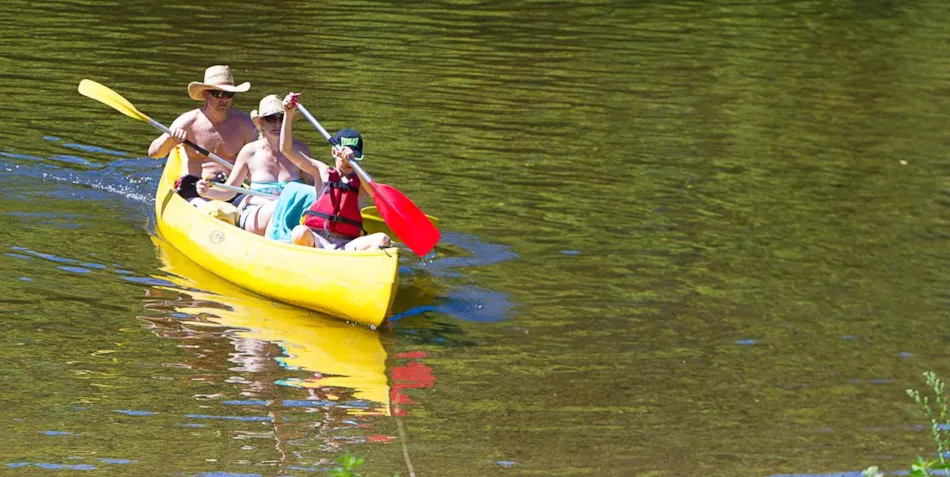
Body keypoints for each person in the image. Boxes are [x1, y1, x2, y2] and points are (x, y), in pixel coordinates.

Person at [278, 93, 391, 251]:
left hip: (347, 245)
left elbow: (374, 192)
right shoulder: (322, 172)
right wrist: (288, 114)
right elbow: (286, 150)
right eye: (344, 154)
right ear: (333, 152)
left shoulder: (361, 181)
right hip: (318, 241)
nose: (349, 161)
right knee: (299, 232)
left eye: (355, 156)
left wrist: (355, 166)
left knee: (383, 239)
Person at [195, 94, 315, 235]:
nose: (277, 123)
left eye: (281, 118)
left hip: (292, 214)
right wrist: (207, 191)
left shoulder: (301, 150)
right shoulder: (249, 152)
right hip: (256, 213)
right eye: (270, 118)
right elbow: (229, 191)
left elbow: (315, 188)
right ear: (260, 123)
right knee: (280, 205)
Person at [148, 65, 257, 204]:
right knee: (203, 207)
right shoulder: (188, 122)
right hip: (195, 186)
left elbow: (259, 160)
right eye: (218, 94)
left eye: (229, 94)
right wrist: (170, 139)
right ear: (206, 94)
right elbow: (154, 153)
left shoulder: (245, 124)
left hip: (231, 188)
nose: (224, 99)